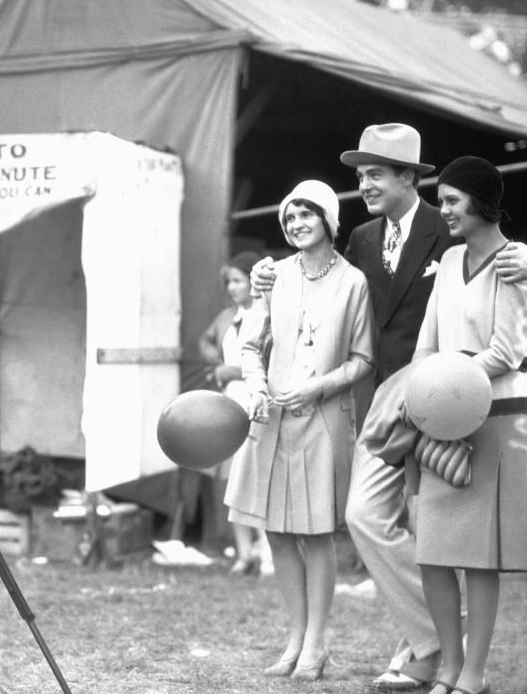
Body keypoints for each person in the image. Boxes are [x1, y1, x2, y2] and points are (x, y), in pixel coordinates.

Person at [251, 124, 527, 692]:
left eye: (375, 173)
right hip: (383, 405)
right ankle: (436, 638)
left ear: (410, 177)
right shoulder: (361, 240)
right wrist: (265, 273)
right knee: (365, 518)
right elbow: (321, 270)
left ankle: (428, 656)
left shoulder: (452, 234)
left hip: (452, 404)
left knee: (432, 530)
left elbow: (503, 280)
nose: (364, 184)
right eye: (359, 175)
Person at [225, 180, 374, 681]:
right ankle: (294, 638)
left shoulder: (353, 281)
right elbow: (250, 346)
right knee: (277, 532)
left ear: (329, 221)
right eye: (290, 217)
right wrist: (257, 389)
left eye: (307, 214)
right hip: (272, 418)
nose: (296, 224)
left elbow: (362, 360)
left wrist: (317, 389)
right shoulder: (272, 277)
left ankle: (317, 642)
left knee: (314, 533)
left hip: (323, 419)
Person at [411, 156, 527, 694]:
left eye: (453, 200)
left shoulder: (513, 262)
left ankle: (474, 675)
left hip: (494, 418)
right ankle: (451, 666)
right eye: (442, 199)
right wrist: (422, 393)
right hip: (438, 416)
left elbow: (507, 351)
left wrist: (448, 383)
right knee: (433, 549)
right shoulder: (449, 258)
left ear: (483, 201)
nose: (445, 209)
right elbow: (426, 343)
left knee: (478, 556)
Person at [198, 250, 274, 576]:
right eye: (228, 281)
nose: (232, 287)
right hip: (230, 402)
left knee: (257, 482)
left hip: (256, 400)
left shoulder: (268, 315)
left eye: (238, 280)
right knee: (232, 483)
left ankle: (269, 553)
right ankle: (244, 554)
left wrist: (233, 371)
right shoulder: (227, 317)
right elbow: (204, 341)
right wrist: (218, 365)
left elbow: (272, 361)